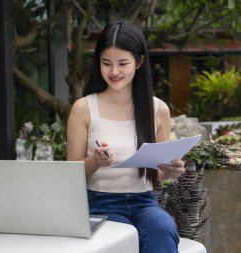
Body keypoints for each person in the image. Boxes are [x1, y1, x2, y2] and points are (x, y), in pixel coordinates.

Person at [67, 20, 185, 253]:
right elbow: (70, 175)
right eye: (106, 63)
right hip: (99, 202)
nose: (114, 72)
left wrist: (169, 170)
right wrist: (95, 161)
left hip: (144, 201)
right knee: (120, 237)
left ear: (139, 62)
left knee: (163, 227)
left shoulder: (157, 109)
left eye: (123, 63)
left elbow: (155, 174)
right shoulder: (84, 108)